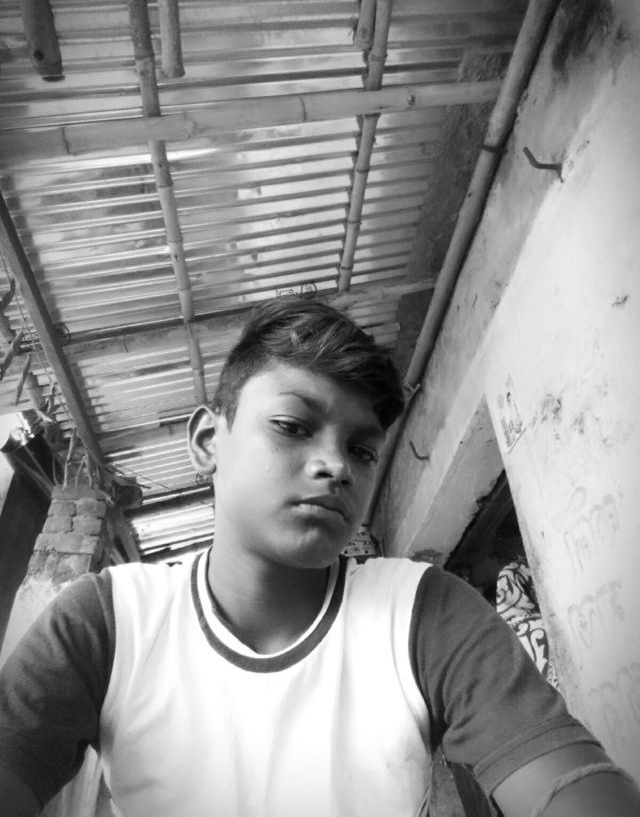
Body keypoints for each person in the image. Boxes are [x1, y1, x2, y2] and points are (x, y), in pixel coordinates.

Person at [0, 297, 639, 817]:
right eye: (292, 426)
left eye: (362, 450)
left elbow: (567, 785)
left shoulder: (421, 611)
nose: (336, 465)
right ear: (208, 441)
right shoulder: (109, 622)